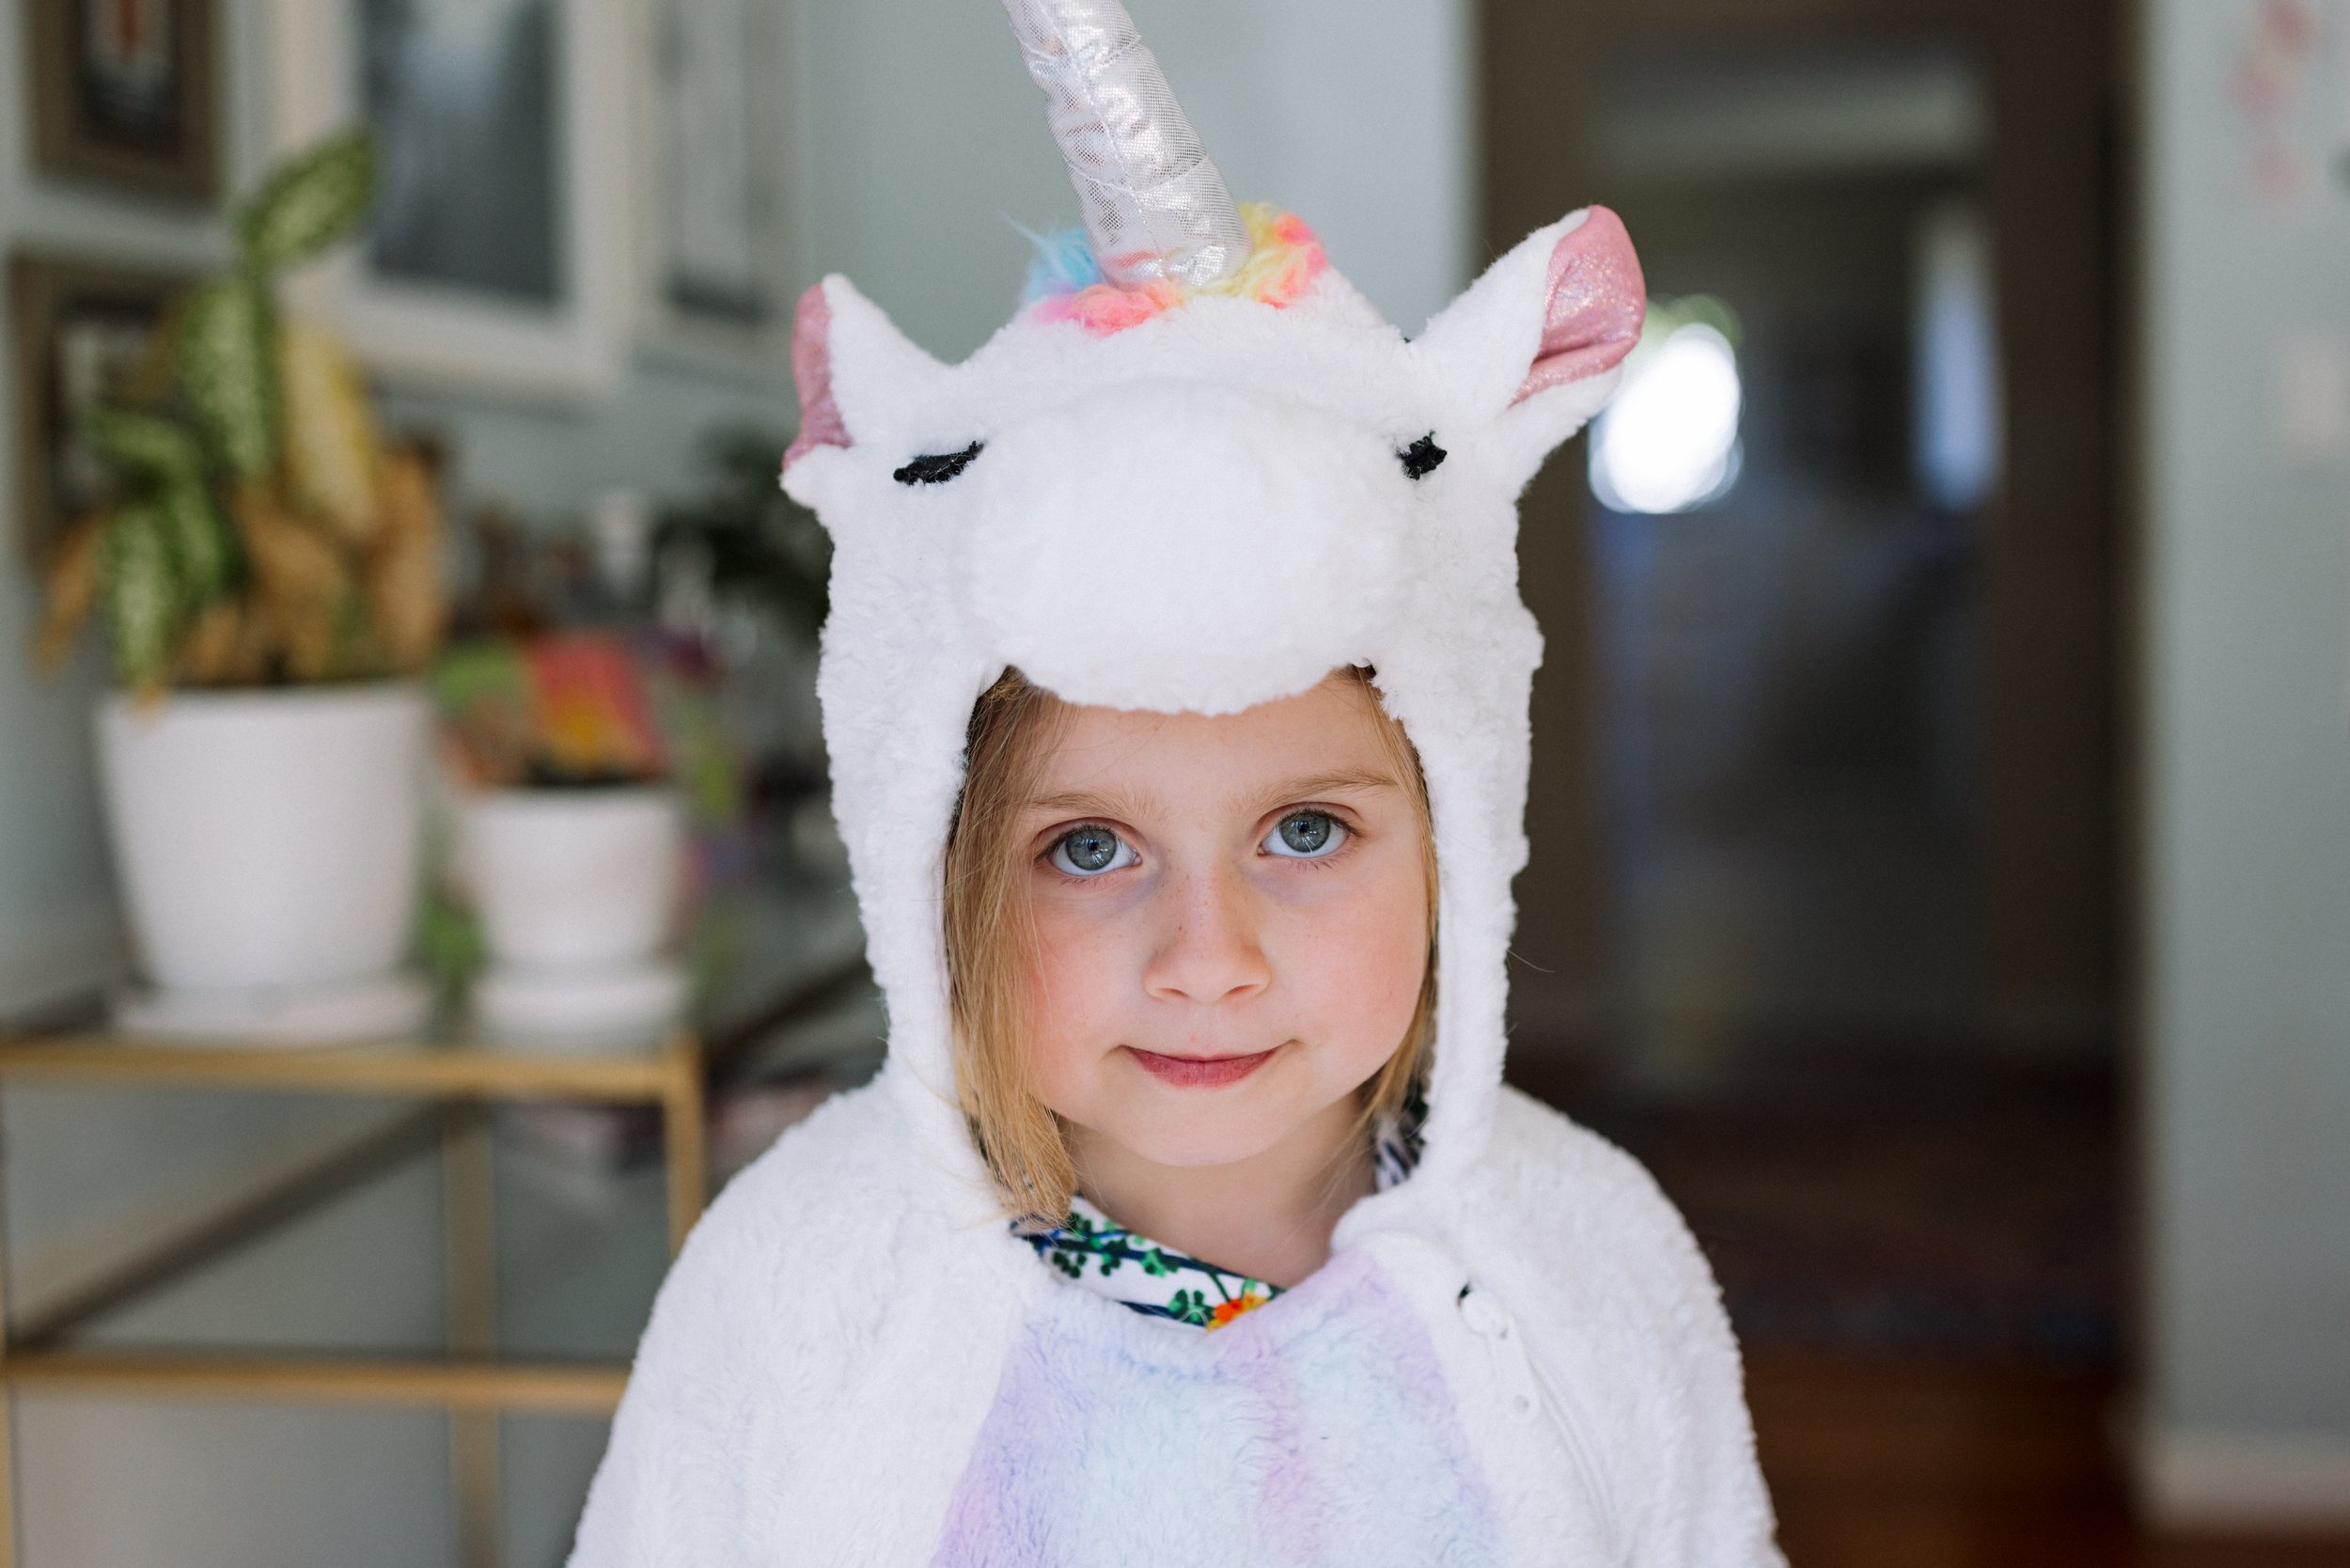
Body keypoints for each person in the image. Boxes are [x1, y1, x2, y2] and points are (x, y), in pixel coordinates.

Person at [570, 2, 1781, 1561]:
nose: (1206, 960)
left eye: (1305, 829)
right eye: (1087, 849)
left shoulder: (1591, 1264)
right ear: (931, 862)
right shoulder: (799, 1289)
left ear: (1459, 833)